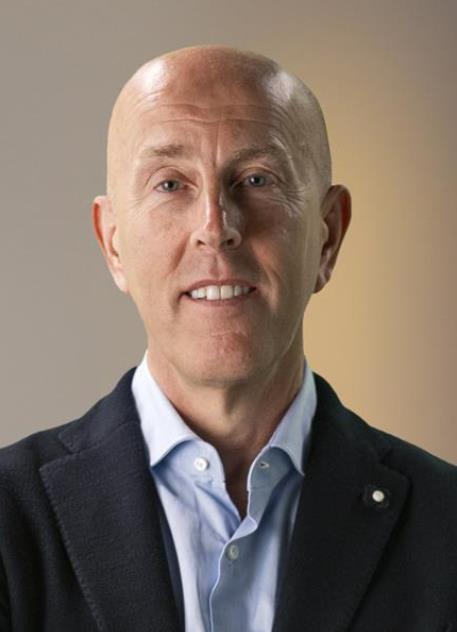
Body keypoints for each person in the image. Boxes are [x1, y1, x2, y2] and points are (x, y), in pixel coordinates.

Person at [0, 45, 456, 632]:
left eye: (257, 179)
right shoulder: (9, 520)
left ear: (328, 236)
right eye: (170, 184)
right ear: (112, 243)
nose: (216, 229)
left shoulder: (447, 527)